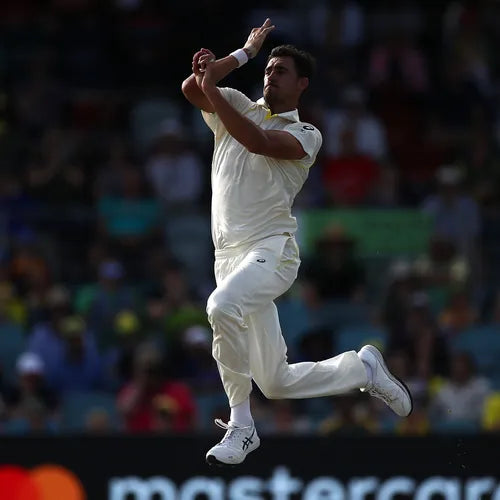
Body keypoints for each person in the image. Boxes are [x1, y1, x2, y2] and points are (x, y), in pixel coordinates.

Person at [181, 18, 412, 467]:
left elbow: (256, 140)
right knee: (276, 381)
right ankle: (361, 368)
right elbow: (192, 88)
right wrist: (240, 56)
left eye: (281, 71)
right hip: (228, 259)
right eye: (267, 69)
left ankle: (241, 425)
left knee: (219, 308)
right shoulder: (235, 104)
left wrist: (214, 87)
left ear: (302, 84)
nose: (271, 76)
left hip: (271, 251)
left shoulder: (306, 134)